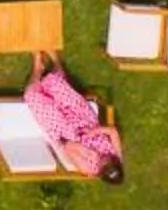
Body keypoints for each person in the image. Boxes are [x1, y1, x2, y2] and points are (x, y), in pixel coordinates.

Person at [24, 52, 127, 183]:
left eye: (105, 166)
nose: (105, 161)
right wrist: (93, 132)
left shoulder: (88, 168)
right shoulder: (115, 154)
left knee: (31, 95)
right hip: (85, 119)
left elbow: (67, 146)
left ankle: (37, 68)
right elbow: (112, 131)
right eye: (110, 162)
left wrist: (86, 150)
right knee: (54, 84)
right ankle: (56, 61)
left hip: (64, 132)